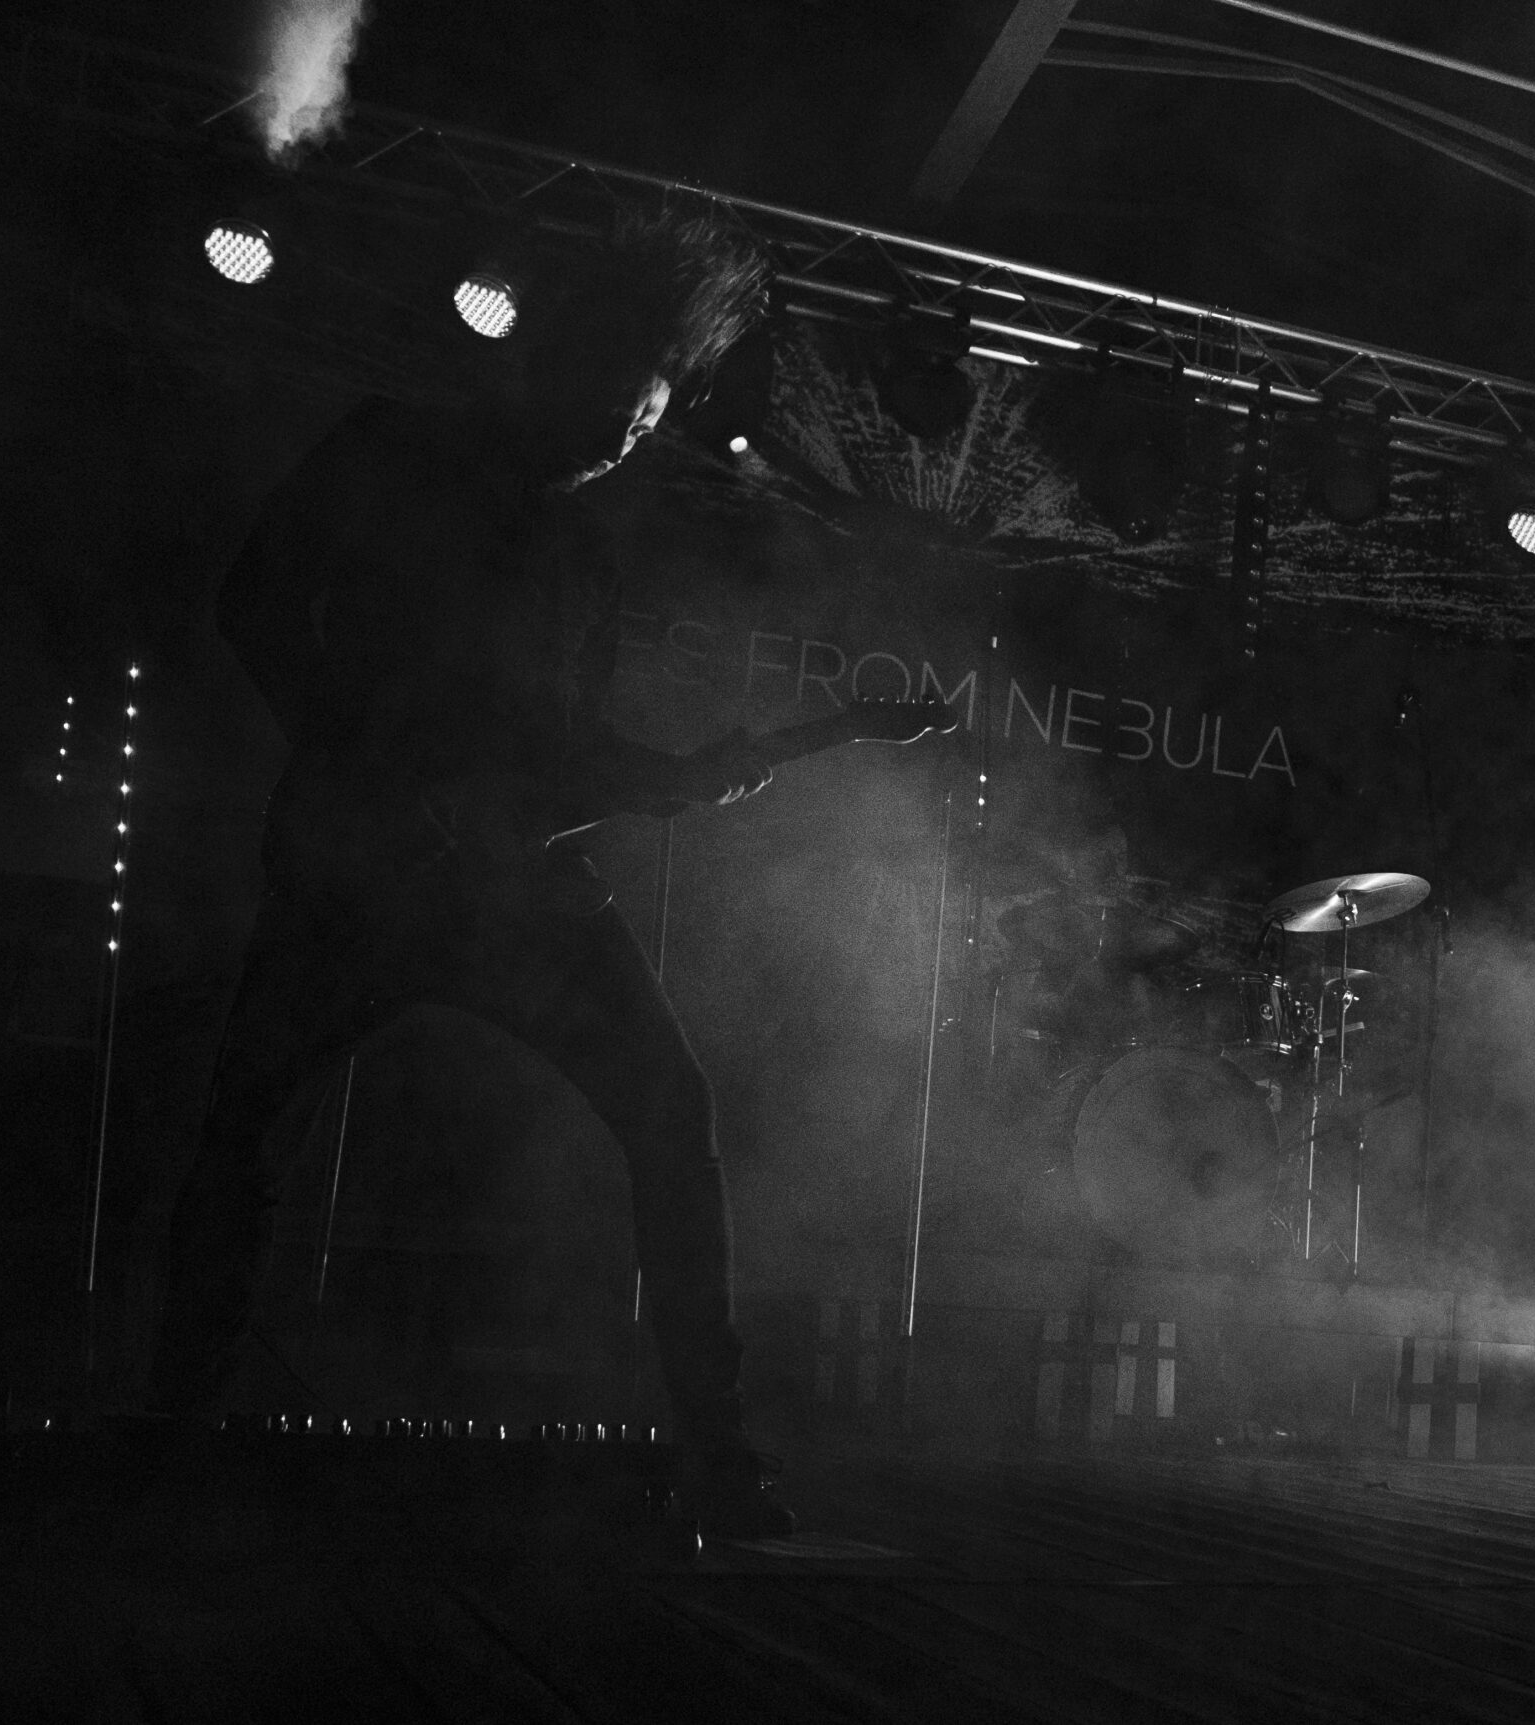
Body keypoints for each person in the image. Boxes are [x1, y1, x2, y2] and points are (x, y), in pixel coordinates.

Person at [147, 209, 945, 1536]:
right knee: (242, 1129)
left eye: (645, 426)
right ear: (553, 365)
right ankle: (172, 1433)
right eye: (616, 409)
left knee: (669, 1111)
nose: (625, 439)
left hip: (514, 898)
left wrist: (795, 744)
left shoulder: (588, 555)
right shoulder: (391, 445)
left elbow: (567, 758)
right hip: (356, 872)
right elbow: (252, 601)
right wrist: (380, 772)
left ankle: (719, 1453)